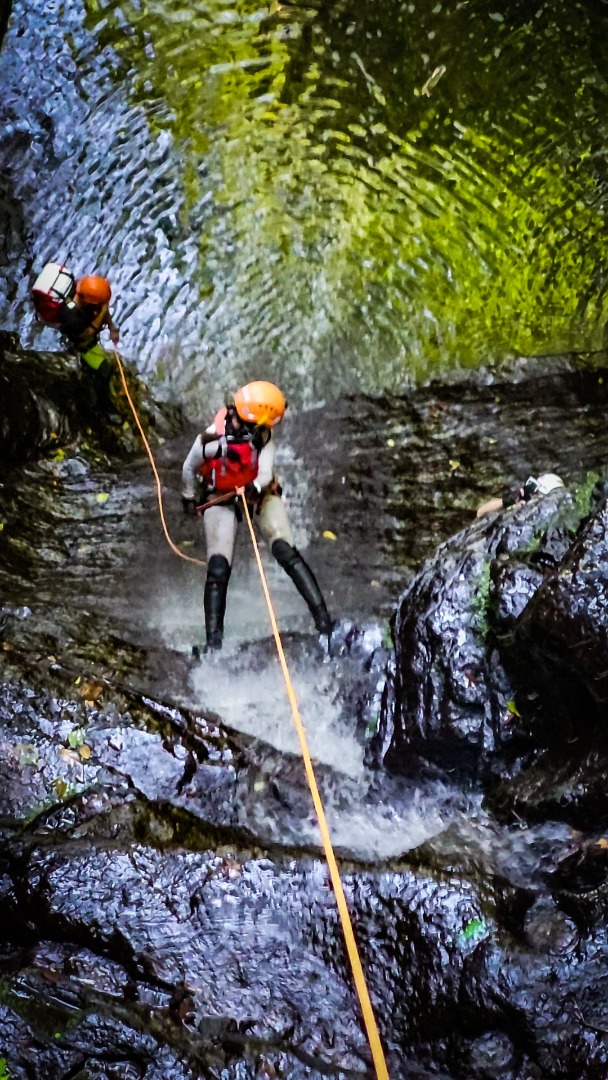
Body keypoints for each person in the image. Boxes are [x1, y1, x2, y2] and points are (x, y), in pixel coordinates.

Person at [182, 380, 333, 651]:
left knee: (285, 550)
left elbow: (264, 472)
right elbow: (189, 466)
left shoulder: (263, 437)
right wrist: (190, 497)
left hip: (259, 492)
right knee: (218, 567)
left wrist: (254, 487)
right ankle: (213, 645)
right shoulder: (211, 439)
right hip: (221, 496)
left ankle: (325, 625)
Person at [58, 275, 121, 413]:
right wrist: (103, 312)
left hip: (85, 328)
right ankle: (103, 406)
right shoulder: (71, 316)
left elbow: (102, 307)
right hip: (82, 341)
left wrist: (112, 327)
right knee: (104, 370)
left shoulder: (85, 292)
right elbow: (87, 333)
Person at [476, 473, 565, 518]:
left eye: (537, 494)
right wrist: (507, 501)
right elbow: (480, 512)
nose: (532, 497)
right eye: (533, 492)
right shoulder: (520, 504)